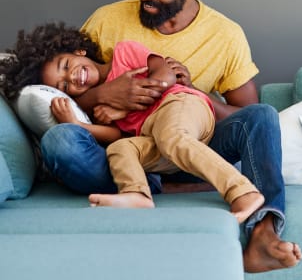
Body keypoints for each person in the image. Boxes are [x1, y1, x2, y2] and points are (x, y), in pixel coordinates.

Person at [39, 0, 302, 273]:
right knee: (61, 143)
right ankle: (150, 188)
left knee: (263, 116)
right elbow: (70, 85)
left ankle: (263, 233)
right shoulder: (106, 21)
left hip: (193, 137)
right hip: (136, 149)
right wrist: (105, 94)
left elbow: (244, 116)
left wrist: (192, 92)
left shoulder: (225, 36)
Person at [1, 23, 264, 223]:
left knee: (172, 136)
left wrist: (134, 97)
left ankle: (242, 192)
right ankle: (138, 195)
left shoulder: (124, 53)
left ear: (78, 51)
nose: (73, 77)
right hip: (153, 133)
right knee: (122, 150)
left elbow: (165, 74)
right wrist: (77, 124)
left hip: (181, 104)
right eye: (64, 85)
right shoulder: (97, 107)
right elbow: (116, 136)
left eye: (67, 65)